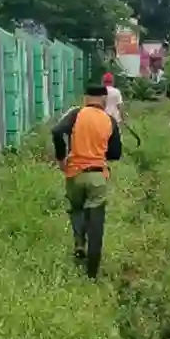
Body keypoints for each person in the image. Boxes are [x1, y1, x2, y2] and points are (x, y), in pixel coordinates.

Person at [51, 83, 122, 277]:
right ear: (104, 100)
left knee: (76, 208)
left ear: (85, 98)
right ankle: (92, 270)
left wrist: (61, 158)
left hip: (75, 173)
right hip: (98, 175)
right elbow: (115, 153)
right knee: (96, 212)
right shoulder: (109, 120)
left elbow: (57, 131)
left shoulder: (76, 114)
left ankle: (80, 243)